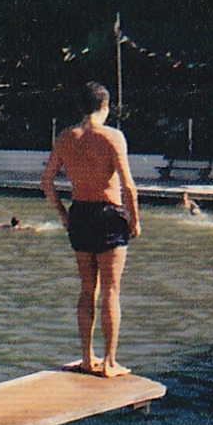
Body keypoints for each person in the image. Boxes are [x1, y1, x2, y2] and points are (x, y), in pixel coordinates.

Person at [41, 82, 140, 378]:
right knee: (111, 290)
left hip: (80, 214)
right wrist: (134, 222)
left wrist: (63, 214)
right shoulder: (112, 137)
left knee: (87, 288)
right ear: (105, 106)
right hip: (109, 215)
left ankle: (87, 358)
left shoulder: (65, 138)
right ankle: (109, 362)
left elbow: (46, 182)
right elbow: (128, 186)